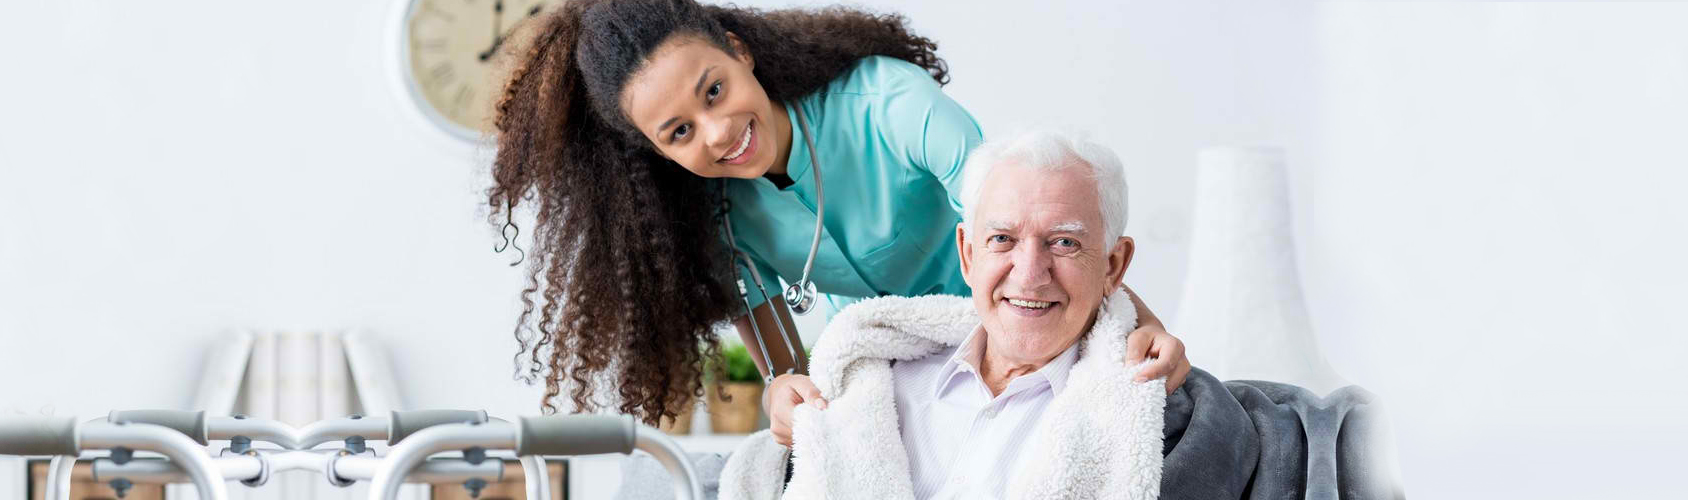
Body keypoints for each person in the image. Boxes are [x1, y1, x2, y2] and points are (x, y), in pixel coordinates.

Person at [486, 0, 1189, 430]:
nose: (717, 131)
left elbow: (1035, 236)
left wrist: (1149, 330)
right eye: (678, 132)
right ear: (655, 152)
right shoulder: (716, 221)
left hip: (1023, 334)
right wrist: (786, 400)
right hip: (906, 375)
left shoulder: (891, 104)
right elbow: (786, 370)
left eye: (714, 90)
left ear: (739, 52)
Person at [716, 130, 1400, 500]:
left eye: (1065, 243)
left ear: (1115, 264)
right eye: (1004, 240)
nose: (1030, 271)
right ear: (966, 252)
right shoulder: (875, 381)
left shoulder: (1144, 409)